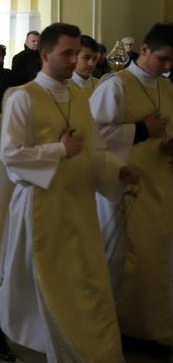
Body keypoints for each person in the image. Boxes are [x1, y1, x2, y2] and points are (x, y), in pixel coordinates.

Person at [0, 23, 139, 361]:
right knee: (48, 288)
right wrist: (58, 151)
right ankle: (55, 348)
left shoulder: (79, 95)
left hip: (79, 205)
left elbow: (93, 149)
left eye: (79, 53)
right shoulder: (22, 97)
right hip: (39, 206)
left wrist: (118, 171)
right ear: (45, 54)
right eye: (68, 53)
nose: (75, 61)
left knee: (83, 281)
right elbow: (11, 156)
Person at [90, 22, 173, 357]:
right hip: (126, 181)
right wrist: (139, 130)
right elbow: (92, 133)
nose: (167, 67)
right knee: (126, 258)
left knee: (157, 257)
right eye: (163, 59)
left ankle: (151, 326)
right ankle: (121, 327)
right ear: (145, 49)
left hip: (160, 182)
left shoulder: (167, 89)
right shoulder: (116, 86)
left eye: (172, 62)